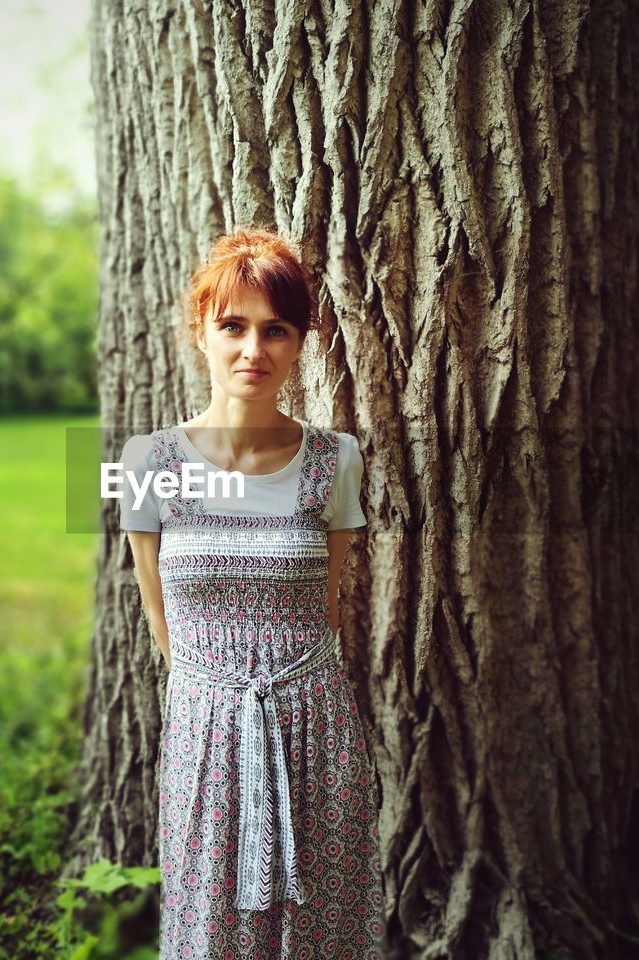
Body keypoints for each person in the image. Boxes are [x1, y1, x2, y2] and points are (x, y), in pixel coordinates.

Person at [117, 227, 385, 959]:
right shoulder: (149, 462)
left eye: (277, 330)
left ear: (300, 343)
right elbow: (158, 616)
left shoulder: (337, 460)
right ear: (199, 332)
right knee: (209, 932)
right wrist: (218, 692)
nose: (252, 350)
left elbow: (326, 605)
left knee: (317, 929)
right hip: (205, 731)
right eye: (232, 326)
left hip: (313, 728)